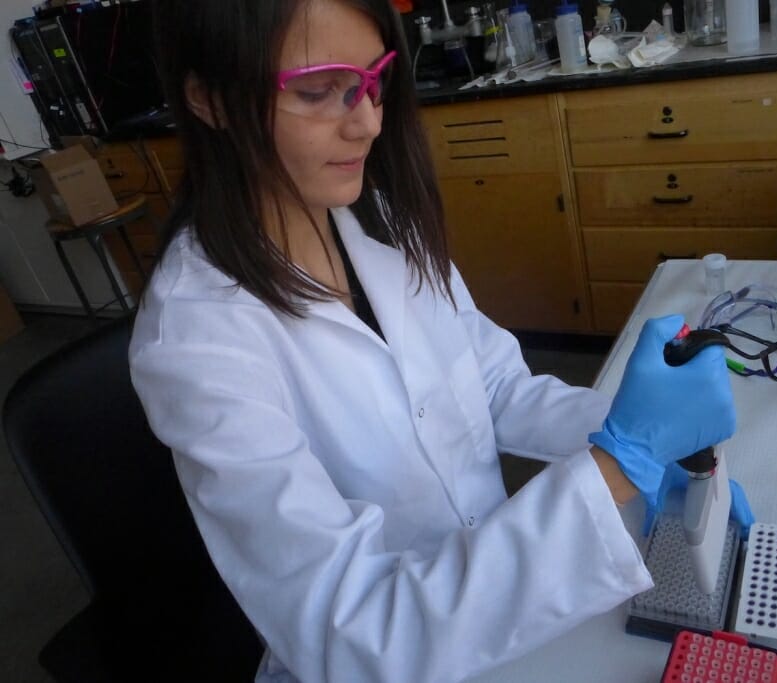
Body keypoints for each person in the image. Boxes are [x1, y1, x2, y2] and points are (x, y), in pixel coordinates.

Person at [129, 1, 738, 682]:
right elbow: (351, 627)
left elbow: (495, 385)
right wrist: (621, 462)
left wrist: (637, 429)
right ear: (209, 99)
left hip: (502, 598)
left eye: (372, 79)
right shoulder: (197, 336)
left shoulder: (375, 216)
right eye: (317, 90)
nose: (366, 121)